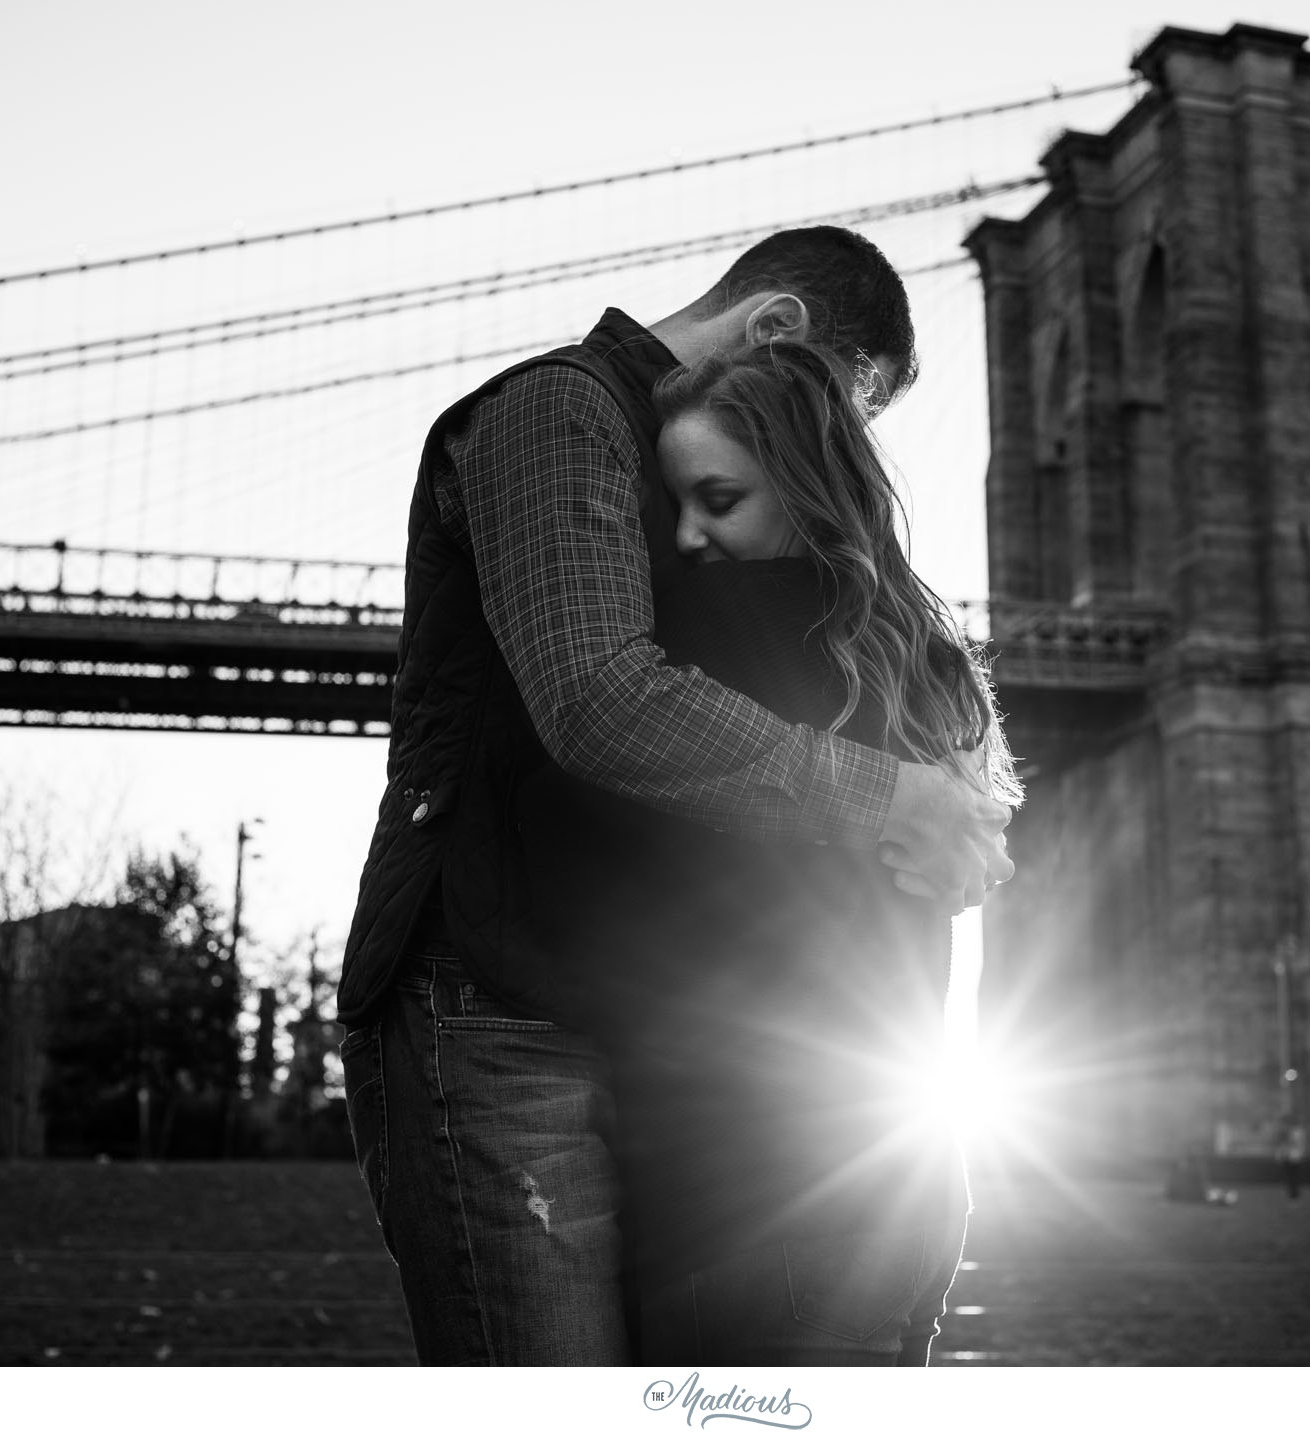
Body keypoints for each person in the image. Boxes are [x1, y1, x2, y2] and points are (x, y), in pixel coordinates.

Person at [336, 227, 1015, 1366]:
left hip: (636, 1023)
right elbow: (603, 698)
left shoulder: (751, 528)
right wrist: (893, 800)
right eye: (848, 402)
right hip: (497, 1009)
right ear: (777, 328)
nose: (830, 440)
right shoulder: (558, 411)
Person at [515, 340, 1019, 1364]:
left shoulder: (699, 638)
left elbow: (578, 739)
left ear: (804, 487)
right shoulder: (921, 662)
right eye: (675, 512)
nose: (690, 538)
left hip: (745, 1215)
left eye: (718, 498)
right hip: (906, 1194)